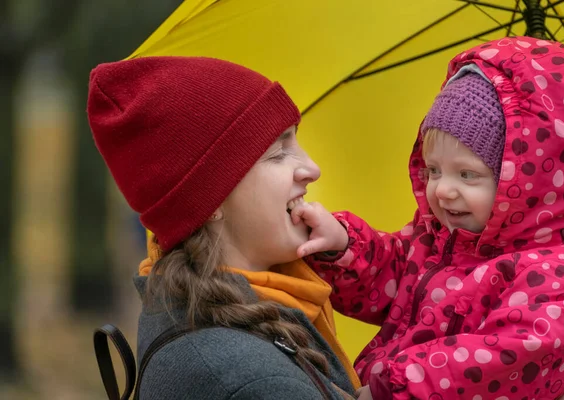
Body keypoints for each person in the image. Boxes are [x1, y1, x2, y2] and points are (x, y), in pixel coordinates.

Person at [292, 36, 564, 399]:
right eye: (434, 170)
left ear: (528, 181)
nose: (442, 191)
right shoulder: (437, 238)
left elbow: (502, 359)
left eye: (467, 175)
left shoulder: (558, 281)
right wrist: (344, 246)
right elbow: (391, 276)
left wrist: (392, 388)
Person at [87, 55, 363, 399]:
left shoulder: (186, 310)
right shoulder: (252, 381)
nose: (312, 167)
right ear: (210, 200)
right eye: (278, 153)